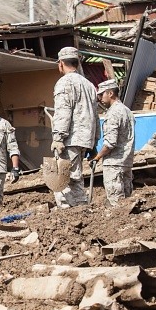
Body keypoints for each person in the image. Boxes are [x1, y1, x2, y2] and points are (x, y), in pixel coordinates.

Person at [50, 47, 99, 208]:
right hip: (85, 139)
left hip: (70, 138)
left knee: (61, 179)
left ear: (61, 63)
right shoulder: (89, 84)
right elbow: (95, 115)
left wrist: (58, 137)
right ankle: (81, 209)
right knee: (76, 177)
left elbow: (63, 112)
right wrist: (95, 141)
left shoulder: (65, 83)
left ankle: (68, 212)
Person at [90, 79, 135, 206]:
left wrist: (97, 157)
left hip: (114, 164)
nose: (99, 98)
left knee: (117, 204)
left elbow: (110, 143)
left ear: (110, 93)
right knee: (127, 203)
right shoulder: (127, 111)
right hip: (126, 162)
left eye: (101, 94)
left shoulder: (113, 113)